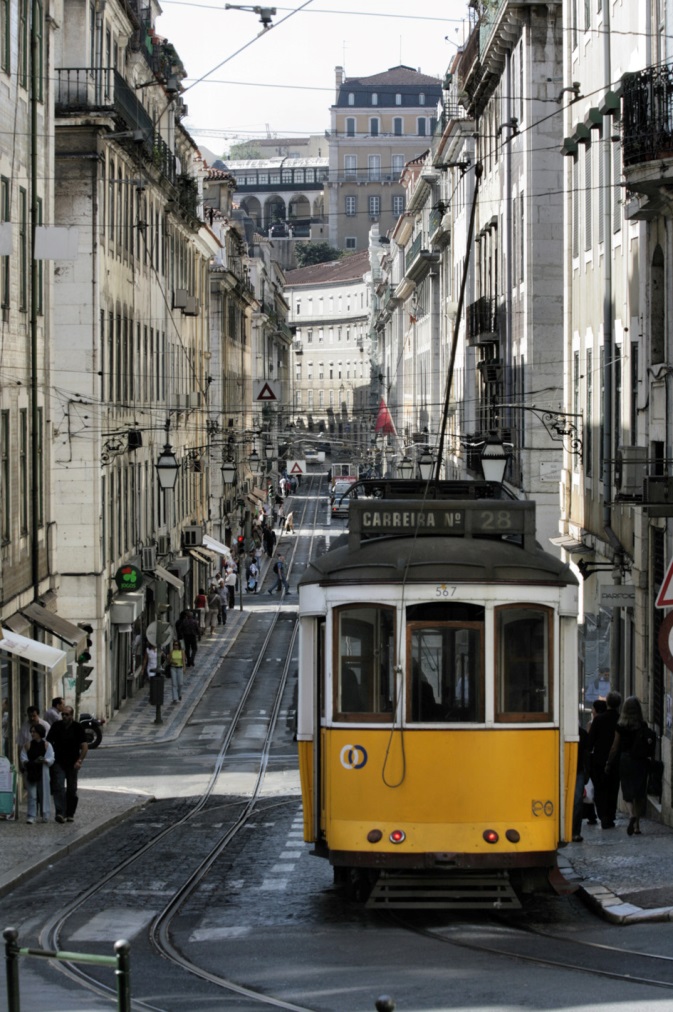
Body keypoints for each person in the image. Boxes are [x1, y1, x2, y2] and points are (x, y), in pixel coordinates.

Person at [606, 695, 656, 836]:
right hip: (640, 761)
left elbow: (615, 747)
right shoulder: (642, 725)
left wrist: (609, 762)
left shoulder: (620, 726)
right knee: (639, 793)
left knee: (627, 791)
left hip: (626, 759)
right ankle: (637, 826)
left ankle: (631, 814)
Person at [47, 706, 88, 823]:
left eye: (67, 714)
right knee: (58, 786)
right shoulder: (56, 726)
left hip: (72, 763)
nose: (64, 716)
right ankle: (60, 812)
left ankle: (70, 813)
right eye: (63, 714)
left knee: (71, 789)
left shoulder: (77, 727)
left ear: (71, 716)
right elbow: (48, 742)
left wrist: (79, 761)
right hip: (58, 762)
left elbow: (84, 746)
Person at [588, 690, 621, 829]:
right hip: (616, 760)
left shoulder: (599, 720)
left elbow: (590, 742)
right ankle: (611, 815)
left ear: (607, 702)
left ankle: (604, 817)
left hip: (599, 760)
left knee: (601, 789)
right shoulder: (620, 719)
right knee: (613, 788)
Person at [20, 724, 54, 823]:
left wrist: (44, 761)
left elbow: (51, 758)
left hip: (43, 772)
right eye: (31, 731)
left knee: (44, 793)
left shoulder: (47, 745)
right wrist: (29, 763)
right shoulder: (27, 745)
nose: (32, 733)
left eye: (34, 731)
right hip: (31, 772)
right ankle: (31, 815)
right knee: (32, 795)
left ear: (40, 733)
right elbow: (23, 758)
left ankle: (45, 814)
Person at [572, 724, 590, 842]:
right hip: (576, 771)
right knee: (577, 801)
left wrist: (586, 772)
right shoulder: (583, 733)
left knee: (577, 801)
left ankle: (575, 832)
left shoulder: (582, 734)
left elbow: (586, 754)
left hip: (578, 771)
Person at [168, 638, 186, 703]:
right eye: (175, 645)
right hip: (173, 668)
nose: (176, 646)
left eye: (177, 645)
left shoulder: (181, 652)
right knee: (174, 683)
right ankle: (175, 698)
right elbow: (169, 661)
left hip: (180, 668)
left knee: (180, 683)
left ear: (179, 645)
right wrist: (172, 662)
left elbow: (183, 660)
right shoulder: (171, 652)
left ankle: (179, 694)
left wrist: (184, 667)